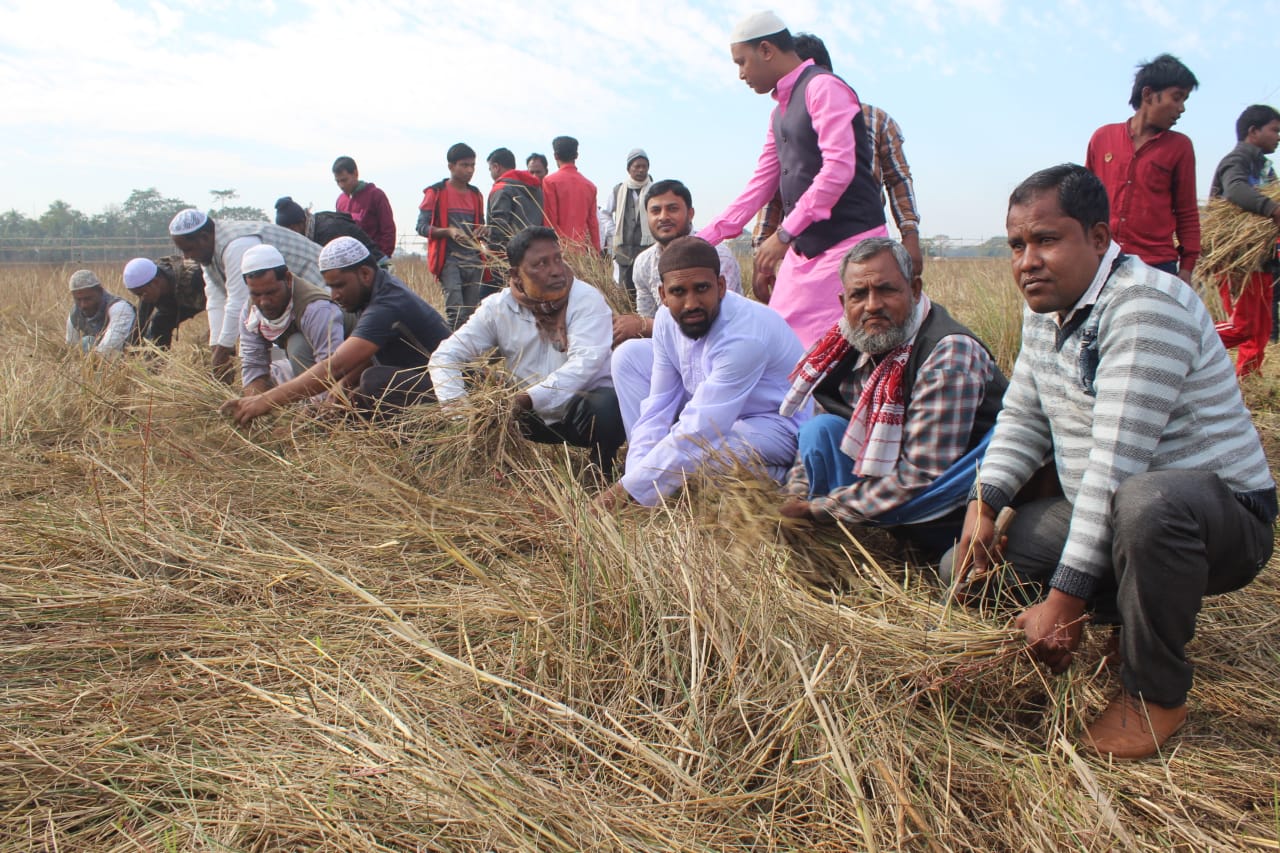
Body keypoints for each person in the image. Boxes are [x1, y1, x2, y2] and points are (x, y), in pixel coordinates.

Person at [947, 164, 1275, 760]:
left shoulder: (1145, 306)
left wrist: (1065, 605)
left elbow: (1116, 466)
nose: (1027, 260)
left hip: (1218, 520)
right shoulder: (1045, 309)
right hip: (1109, 510)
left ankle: (1155, 693)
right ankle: (1132, 615)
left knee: (1149, 506)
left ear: (1099, 238)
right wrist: (984, 503)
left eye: (1047, 240)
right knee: (967, 570)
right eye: (1018, 244)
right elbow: (1022, 416)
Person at [777, 237, 1006, 557]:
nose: (872, 305)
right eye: (859, 294)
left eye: (886, 290)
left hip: (951, 499)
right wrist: (797, 494)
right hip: (890, 483)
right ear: (844, 302)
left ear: (914, 290)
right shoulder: (851, 342)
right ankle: (849, 537)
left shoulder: (948, 354)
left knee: (947, 557)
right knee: (819, 430)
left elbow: (921, 475)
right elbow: (817, 439)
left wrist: (823, 509)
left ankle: (908, 540)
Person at [698, 11, 888, 348]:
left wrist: (785, 232)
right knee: (777, 338)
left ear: (767, 50)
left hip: (850, 245)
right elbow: (760, 184)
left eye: (742, 62)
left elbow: (838, 169)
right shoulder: (778, 112)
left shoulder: (823, 88)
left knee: (816, 353)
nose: (741, 74)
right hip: (806, 249)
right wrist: (706, 238)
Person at [603, 236, 808, 509]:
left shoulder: (744, 336)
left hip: (776, 426)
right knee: (628, 356)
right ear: (663, 295)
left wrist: (620, 494)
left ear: (721, 286)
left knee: (701, 456)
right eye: (678, 292)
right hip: (716, 416)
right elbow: (658, 407)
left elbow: (700, 429)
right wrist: (634, 479)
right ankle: (653, 480)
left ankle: (782, 481)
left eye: (702, 288)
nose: (691, 304)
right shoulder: (666, 320)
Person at [429, 226, 624, 475]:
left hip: (578, 413)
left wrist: (525, 399)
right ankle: (494, 458)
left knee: (609, 404)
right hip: (524, 416)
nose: (555, 270)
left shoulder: (586, 299)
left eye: (557, 259)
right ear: (516, 274)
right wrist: (461, 416)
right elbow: (445, 356)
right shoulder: (498, 307)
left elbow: (585, 365)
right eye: (540, 264)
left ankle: (602, 465)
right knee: (460, 377)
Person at [751, 33, 922, 297]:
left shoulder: (876, 120)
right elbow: (774, 191)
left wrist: (910, 237)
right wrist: (763, 251)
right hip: (802, 248)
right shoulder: (786, 121)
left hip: (858, 241)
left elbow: (898, 180)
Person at [221, 237, 450, 425]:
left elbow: (335, 365)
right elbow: (368, 356)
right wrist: (342, 385)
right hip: (426, 379)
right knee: (353, 391)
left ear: (365, 274)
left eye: (339, 285)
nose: (334, 295)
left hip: (451, 387)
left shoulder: (387, 304)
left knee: (373, 382)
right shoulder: (374, 293)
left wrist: (266, 401)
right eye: (330, 286)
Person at [168, 209, 323, 381]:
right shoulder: (208, 252)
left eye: (188, 249)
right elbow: (216, 299)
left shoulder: (237, 245)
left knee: (300, 349)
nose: (186, 256)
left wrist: (223, 351)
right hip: (283, 304)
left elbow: (238, 300)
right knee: (272, 350)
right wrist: (216, 349)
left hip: (320, 291)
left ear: (204, 237)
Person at [1085, 54, 1200, 281]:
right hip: (1103, 261)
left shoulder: (1180, 147)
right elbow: (1084, 200)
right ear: (1148, 94)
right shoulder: (1103, 138)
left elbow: (1186, 212)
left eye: (1185, 100)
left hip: (1156, 267)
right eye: (1176, 98)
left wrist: (1186, 269)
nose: (1182, 108)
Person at [611, 179, 743, 350]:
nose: (663, 217)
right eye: (655, 211)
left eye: (672, 209)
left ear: (690, 213)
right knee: (626, 354)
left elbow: (720, 320)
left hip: (722, 344)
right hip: (673, 348)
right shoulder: (644, 262)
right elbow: (647, 316)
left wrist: (643, 326)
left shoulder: (716, 254)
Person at [1211, 104, 1280, 377]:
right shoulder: (1237, 160)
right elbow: (1236, 189)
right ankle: (1186, 338)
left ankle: (1247, 379)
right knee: (1242, 327)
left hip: (1259, 260)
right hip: (1237, 259)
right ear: (1253, 131)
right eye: (1274, 130)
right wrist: (1272, 209)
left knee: (1261, 329)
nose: (1278, 136)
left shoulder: (1266, 169)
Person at [235, 243, 349, 394]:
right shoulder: (251, 312)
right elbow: (253, 365)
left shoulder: (316, 308)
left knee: (297, 345)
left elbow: (332, 368)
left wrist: (318, 409)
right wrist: (253, 404)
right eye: (256, 294)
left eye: (271, 292)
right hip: (310, 370)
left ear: (288, 279)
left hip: (350, 370)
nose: (264, 302)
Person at [416, 142, 492, 329]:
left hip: (473, 259)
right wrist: (448, 231)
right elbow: (421, 227)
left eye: (472, 165)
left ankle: (468, 355)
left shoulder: (476, 195)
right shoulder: (436, 192)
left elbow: (480, 224)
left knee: (472, 313)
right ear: (451, 166)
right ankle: (454, 354)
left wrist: (483, 230)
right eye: (464, 165)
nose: (470, 170)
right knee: (456, 311)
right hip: (448, 259)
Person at [599, 149, 655, 297]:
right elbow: (604, 213)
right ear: (628, 169)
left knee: (648, 289)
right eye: (637, 166)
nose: (641, 170)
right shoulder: (619, 190)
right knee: (626, 292)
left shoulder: (655, 190)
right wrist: (614, 232)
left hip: (649, 250)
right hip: (624, 253)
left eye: (644, 166)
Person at [274, 197, 387, 267]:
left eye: (291, 230)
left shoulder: (328, 232)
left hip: (377, 267)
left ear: (301, 222)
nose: (291, 236)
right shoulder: (317, 224)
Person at [122, 255, 206, 349]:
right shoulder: (148, 287)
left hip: (205, 299)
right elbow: (140, 322)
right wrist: (129, 349)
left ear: (156, 282)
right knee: (159, 324)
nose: (142, 299)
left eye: (141, 294)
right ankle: (158, 361)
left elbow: (221, 301)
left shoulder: (194, 277)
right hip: (177, 305)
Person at [542, 136, 601, 251]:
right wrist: (597, 251)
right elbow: (593, 224)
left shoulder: (549, 182)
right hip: (582, 253)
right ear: (576, 155)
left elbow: (550, 221)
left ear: (555, 156)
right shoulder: (590, 186)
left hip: (559, 251)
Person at [332, 156, 397, 257]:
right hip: (349, 261)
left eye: (344, 180)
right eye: (338, 181)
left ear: (355, 173)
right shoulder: (340, 201)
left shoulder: (376, 195)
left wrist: (382, 257)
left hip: (374, 259)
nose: (341, 185)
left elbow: (388, 230)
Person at [485, 148, 545, 256]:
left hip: (510, 257)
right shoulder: (536, 189)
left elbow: (499, 224)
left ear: (496, 167)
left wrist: (492, 252)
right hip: (536, 253)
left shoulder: (501, 188)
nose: (490, 173)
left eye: (490, 169)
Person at [66, 269, 135, 356]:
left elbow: (109, 348)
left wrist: (92, 363)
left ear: (100, 291)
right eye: (78, 299)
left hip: (127, 357)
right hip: (99, 358)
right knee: (86, 342)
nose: (83, 305)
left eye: (88, 299)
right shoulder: (75, 313)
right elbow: (72, 348)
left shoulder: (120, 308)